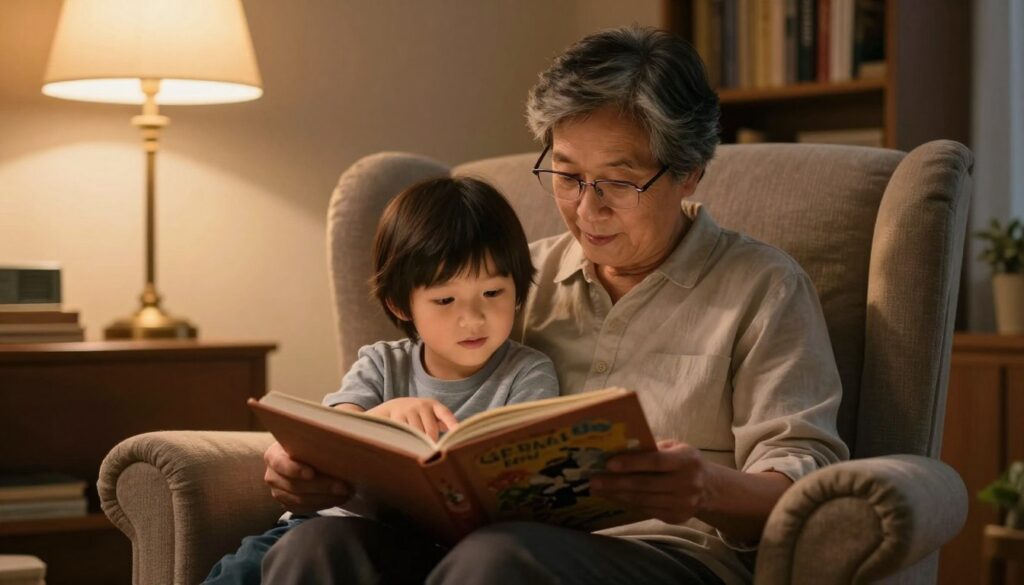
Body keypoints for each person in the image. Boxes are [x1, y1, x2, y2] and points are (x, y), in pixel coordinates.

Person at [261, 25, 849, 585]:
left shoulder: (763, 288)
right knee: (317, 548)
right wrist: (311, 469)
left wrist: (705, 489)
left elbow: (807, 482)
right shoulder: (511, 281)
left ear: (689, 172)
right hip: (467, 544)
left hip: (667, 556)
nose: (587, 210)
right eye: (567, 176)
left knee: (500, 561)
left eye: (619, 183)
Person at [202, 176, 560, 585]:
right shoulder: (381, 363)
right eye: (445, 300)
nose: (473, 318)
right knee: (246, 567)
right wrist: (386, 413)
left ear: (518, 289)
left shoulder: (528, 372)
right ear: (400, 303)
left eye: (493, 293)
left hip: (448, 548)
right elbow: (332, 435)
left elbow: (528, 479)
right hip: (335, 528)